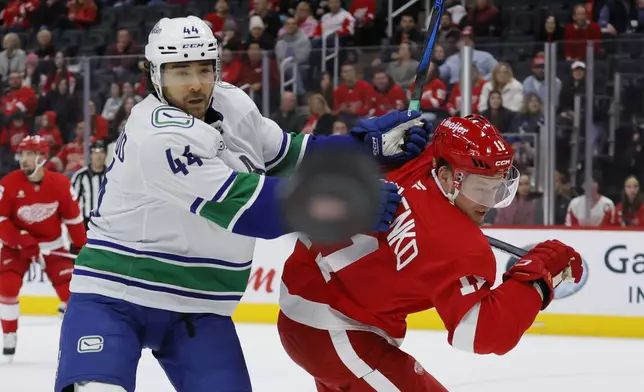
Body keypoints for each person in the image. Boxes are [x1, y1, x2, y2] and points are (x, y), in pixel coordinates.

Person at [54, 16, 430, 392]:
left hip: (200, 307)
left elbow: (292, 155)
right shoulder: (156, 135)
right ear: (155, 75)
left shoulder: (232, 102)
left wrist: (367, 147)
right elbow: (250, 209)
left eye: (205, 68)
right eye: (181, 72)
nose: (197, 83)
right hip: (114, 295)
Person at [277, 115, 584, 391]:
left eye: (497, 186)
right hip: (335, 329)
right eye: (479, 187)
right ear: (448, 176)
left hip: (314, 311)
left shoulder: (421, 161)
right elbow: (481, 332)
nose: (488, 201)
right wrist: (537, 280)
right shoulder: (458, 244)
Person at [0, 135, 87, 363]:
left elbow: (74, 219)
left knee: (71, 294)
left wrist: (83, 247)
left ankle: (76, 339)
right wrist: (20, 239)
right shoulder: (8, 184)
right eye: (23, 154)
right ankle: (9, 334)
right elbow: (1, 219)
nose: (24, 159)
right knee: (6, 286)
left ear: (42, 157)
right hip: (18, 247)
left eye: (30, 154)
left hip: (52, 245)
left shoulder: (60, 184)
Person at [70, 140, 107, 229]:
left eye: (101, 152)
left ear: (106, 154)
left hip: (107, 222)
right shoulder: (80, 176)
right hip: (85, 222)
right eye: (95, 152)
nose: (99, 156)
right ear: (90, 155)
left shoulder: (112, 175)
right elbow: (72, 201)